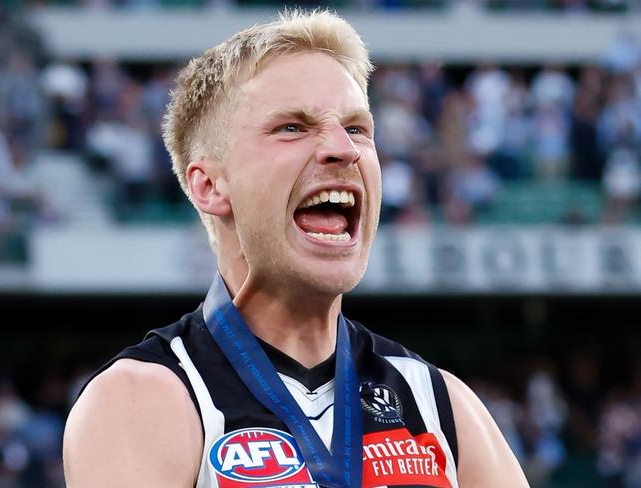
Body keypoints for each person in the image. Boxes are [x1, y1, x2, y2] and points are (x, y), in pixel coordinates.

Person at [62, 10, 528, 488]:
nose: (342, 149)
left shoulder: (443, 406)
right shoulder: (144, 399)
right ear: (210, 187)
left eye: (357, 129)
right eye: (292, 127)